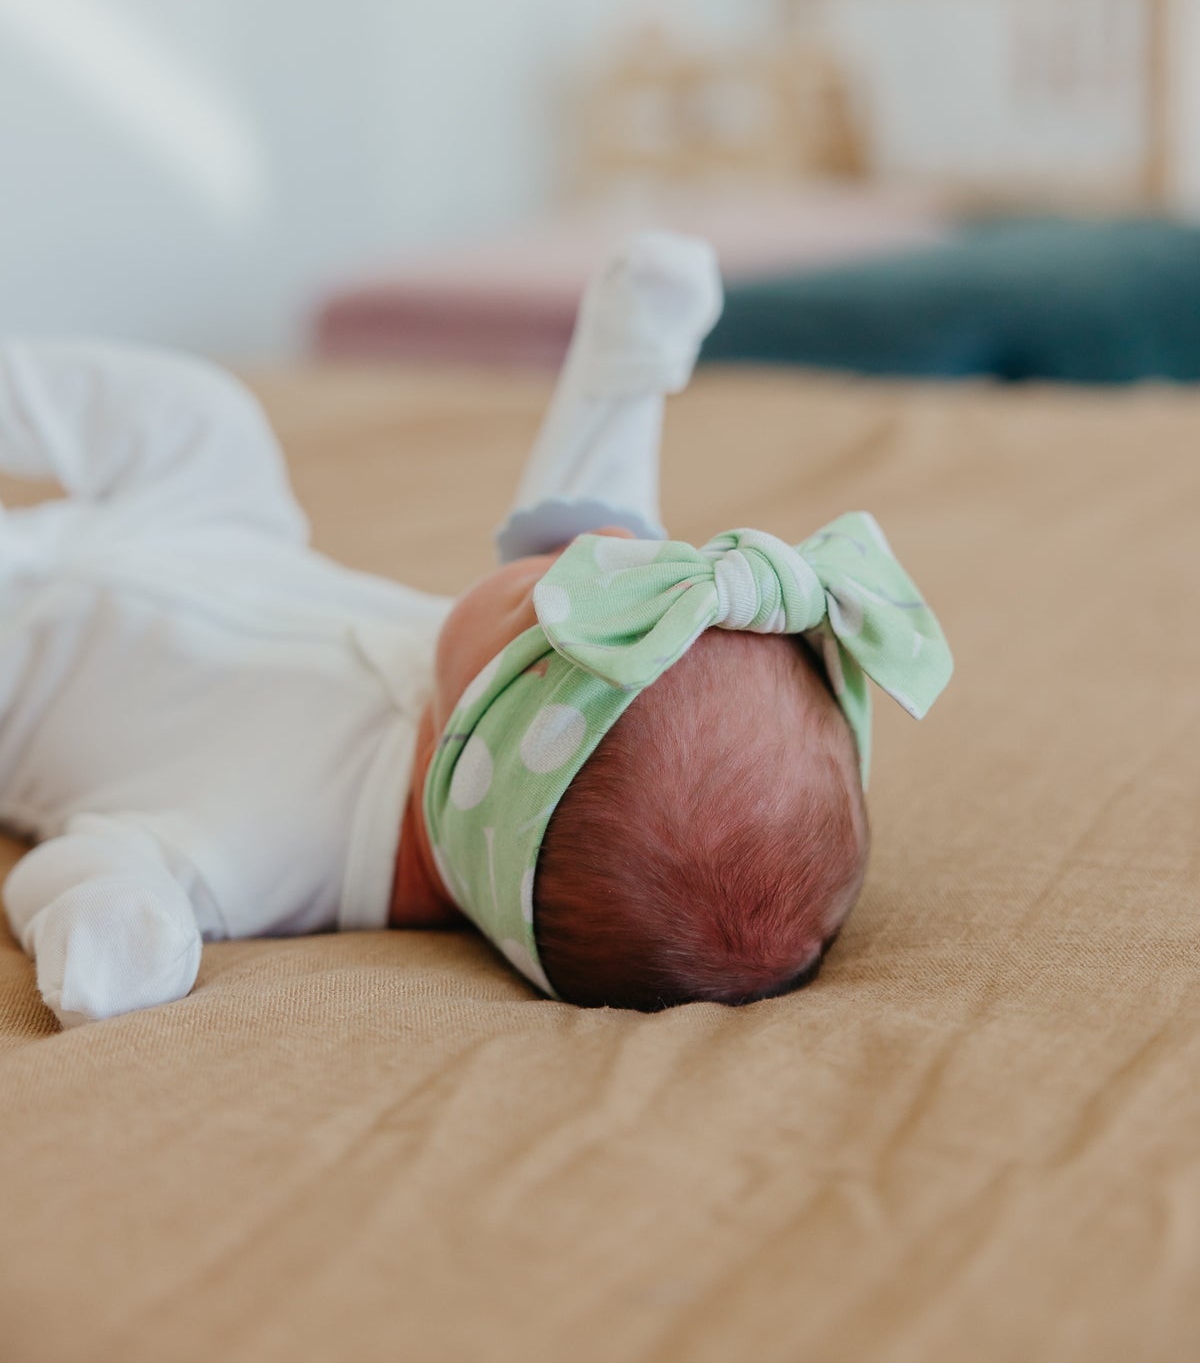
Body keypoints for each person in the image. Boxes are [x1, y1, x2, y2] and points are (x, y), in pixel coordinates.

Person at [0, 234, 951, 1026]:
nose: (613, 540)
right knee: (211, 422)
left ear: (483, 749)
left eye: (550, 594)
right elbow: (585, 521)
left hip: (19, 674)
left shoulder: (270, 850)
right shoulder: (501, 715)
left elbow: (89, 859)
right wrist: (626, 363)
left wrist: (115, 921)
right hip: (213, 535)